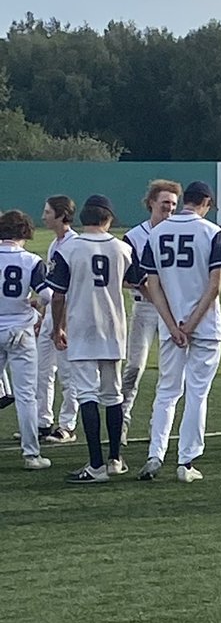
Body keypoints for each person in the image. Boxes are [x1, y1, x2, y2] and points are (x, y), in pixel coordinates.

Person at [138, 180, 221, 483]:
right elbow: (214, 286)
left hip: (170, 326)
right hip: (203, 326)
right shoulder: (211, 232)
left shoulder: (157, 233)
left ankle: (155, 453)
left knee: (166, 392)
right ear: (205, 202)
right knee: (196, 394)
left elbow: (152, 285)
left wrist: (171, 325)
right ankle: (186, 460)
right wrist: (190, 326)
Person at [48, 195, 136, 484]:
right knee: (113, 394)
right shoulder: (123, 248)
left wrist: (58, 326)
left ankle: (96, 465)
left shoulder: (70, 248)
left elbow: (58, 294)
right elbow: (137, 282)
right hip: (114, 328)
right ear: (108, 218)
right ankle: (114, 460)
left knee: (87, 393)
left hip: (83, 327)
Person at [120, 179, 182, 444]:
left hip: (175, 308)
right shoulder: (134, 236)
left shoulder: (179, 232)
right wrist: (156, 298)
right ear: (151, 204)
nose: (169, 208)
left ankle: (158, 427)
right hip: (146, 308)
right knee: (134, 366)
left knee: (171, 372)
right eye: (164, 202)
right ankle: (120, 423)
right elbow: (128, 278)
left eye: (173, 204)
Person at [0, 210, 52, 470]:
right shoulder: (31, 260)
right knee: (26, 396)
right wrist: (34, 306)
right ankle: (31, 454)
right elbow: (48, 295)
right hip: (21, 331)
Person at [36, 195, 79, 445]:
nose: (44, 216)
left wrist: (61, 324)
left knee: (68, 372)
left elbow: (68, 290)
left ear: (62, 215)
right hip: (52, 314)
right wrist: (43, 317)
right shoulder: (55, 244)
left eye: (48, 211)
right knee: (42, 371)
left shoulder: (73, 245)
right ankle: (43, 422)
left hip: (68, 315)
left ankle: (67, 425)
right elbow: (52, 288)